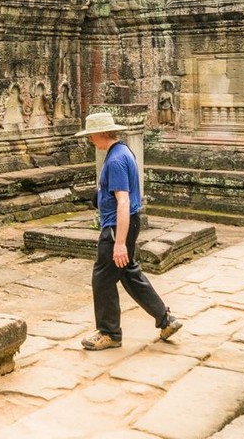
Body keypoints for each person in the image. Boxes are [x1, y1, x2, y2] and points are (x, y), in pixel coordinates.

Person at [77, 112, 182, 350]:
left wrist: (119, 243)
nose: (91, 140)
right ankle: (165, 319)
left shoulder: (115, 160)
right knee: (128, 273)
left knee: (102, 278)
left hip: (117, 226)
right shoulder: (123, 152)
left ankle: (109, 333)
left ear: (101, 133)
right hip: (128, 221)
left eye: (92, 135)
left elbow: (122, 201)